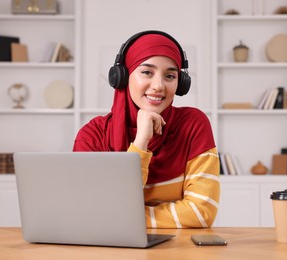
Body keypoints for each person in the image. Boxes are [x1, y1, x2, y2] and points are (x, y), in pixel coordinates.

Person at [73, 30, 220, 228]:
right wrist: (141, 141)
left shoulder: (193, 124)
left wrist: (121, 215)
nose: (158, 85)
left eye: (169, 75)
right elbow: (86, 211)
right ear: (123, 77)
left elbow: (201, 213)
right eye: (147, 72)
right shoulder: (92, 135)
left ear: (180, 83)